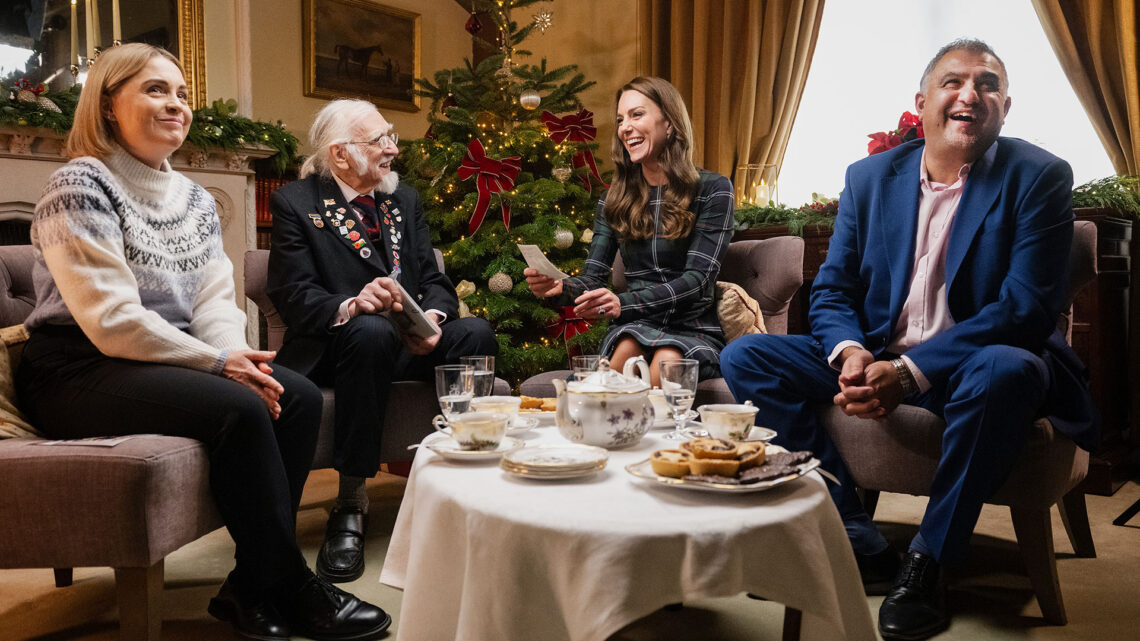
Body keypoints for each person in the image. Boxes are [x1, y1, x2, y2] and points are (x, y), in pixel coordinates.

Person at [720, 39, 1096, 640]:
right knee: (748, 354)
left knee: (1008, 368)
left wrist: (910, 374)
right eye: (953, 82)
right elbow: (834, 289)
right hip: (880, 351)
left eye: (987, 84)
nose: (969, 94)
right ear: (922, 102)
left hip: (975, 364)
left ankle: (928, 561)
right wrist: (850, 352)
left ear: (1005, 107)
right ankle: (852, 534)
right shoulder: (869, 178)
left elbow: (1024, 310)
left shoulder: (1038, 176)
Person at [15, 44, 390, 641]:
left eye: (182, 93)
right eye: (155, 90)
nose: (175, 104)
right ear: (109, 105)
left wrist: (236, 356)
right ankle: (290, 582)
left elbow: (215, 300)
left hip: (160, 358)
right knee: (242, 406)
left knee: (293, 395)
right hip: (73, 365)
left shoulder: (194, 199)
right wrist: (217, 364)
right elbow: (109, 318)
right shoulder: (79, 183)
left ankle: (246, 587)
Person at [268, 99, 497, 582]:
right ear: (341, 154)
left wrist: (429, 319)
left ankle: (473, 483)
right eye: (379, 141)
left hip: (406, 345)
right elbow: (293, 294)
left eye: (390, 135)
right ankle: (350, 503)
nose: (393, 148)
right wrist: (354, 304)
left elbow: (433, 278)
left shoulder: (403, 199)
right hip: (340, 349)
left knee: (474, 330)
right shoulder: (296, 202)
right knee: (370, 330)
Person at [525, 76, 734, 386]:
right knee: (625, 349)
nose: (624, 127)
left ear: (669, 123)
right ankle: (599, 429)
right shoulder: (613, 199)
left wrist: (624, 303)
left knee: (668, 360)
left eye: (637, 115)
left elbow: (697, 280)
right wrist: (561, 288)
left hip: (691, 327)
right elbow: (593, 277)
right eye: (621, 119)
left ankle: (643, 431)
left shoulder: (714, 189)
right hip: (635, 325)